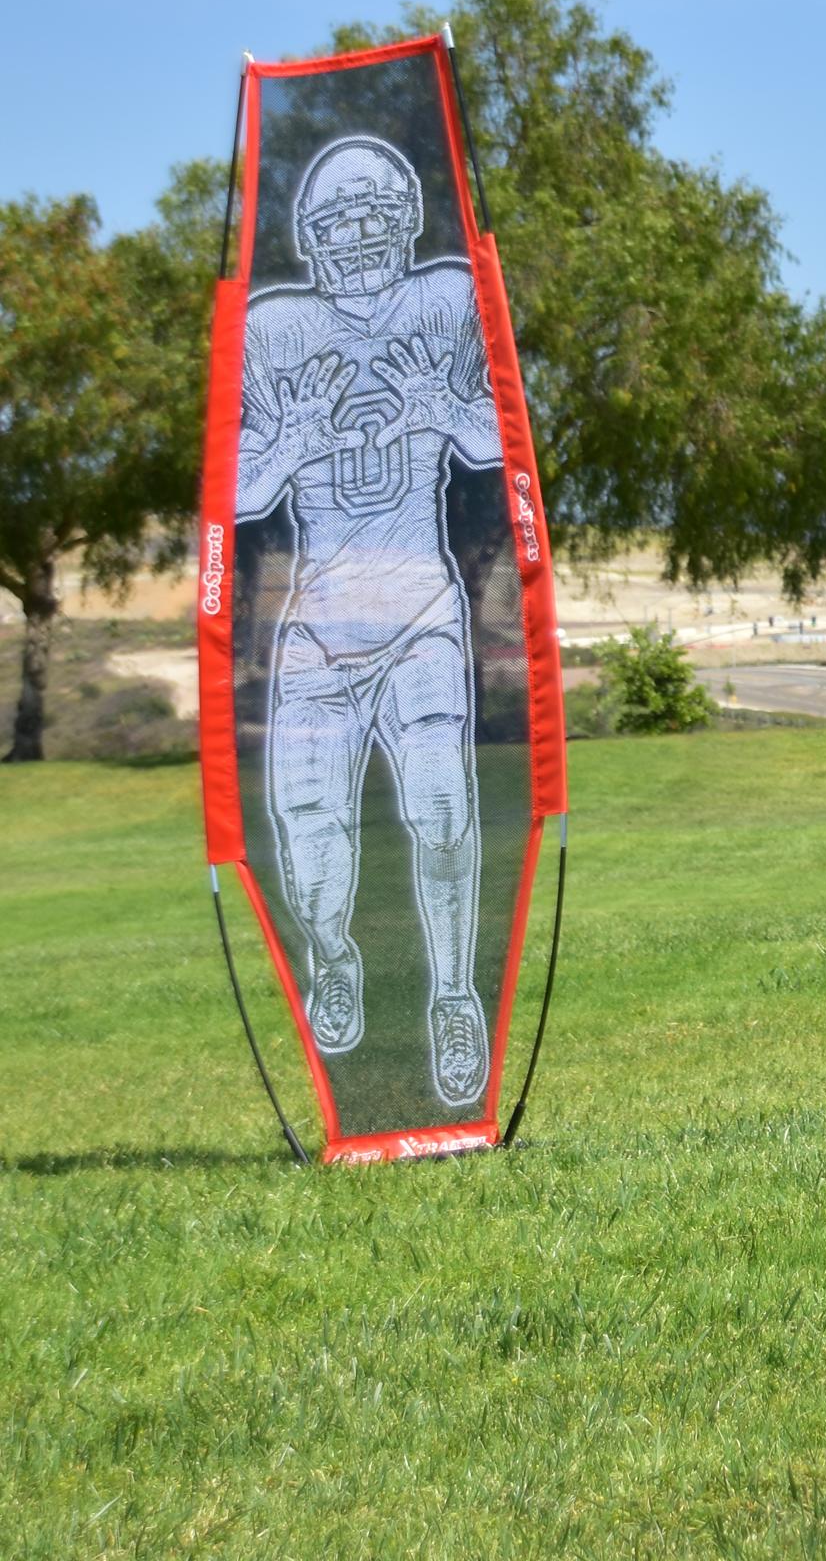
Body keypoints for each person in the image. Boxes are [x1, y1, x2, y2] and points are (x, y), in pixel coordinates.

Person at [238, 134, 502, 1109]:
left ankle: (452, 996)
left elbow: (502, 437)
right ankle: (334, 952)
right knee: (310, 834)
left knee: (442, 810)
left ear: (405, 226)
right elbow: (229, 491)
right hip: (317, 625)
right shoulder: (276, 325)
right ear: (310, 237)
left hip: (420, 611)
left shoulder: (446, 303)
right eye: (337, 221)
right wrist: (286, 448)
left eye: (373, 218)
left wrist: (446, 403)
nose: (356, 237)